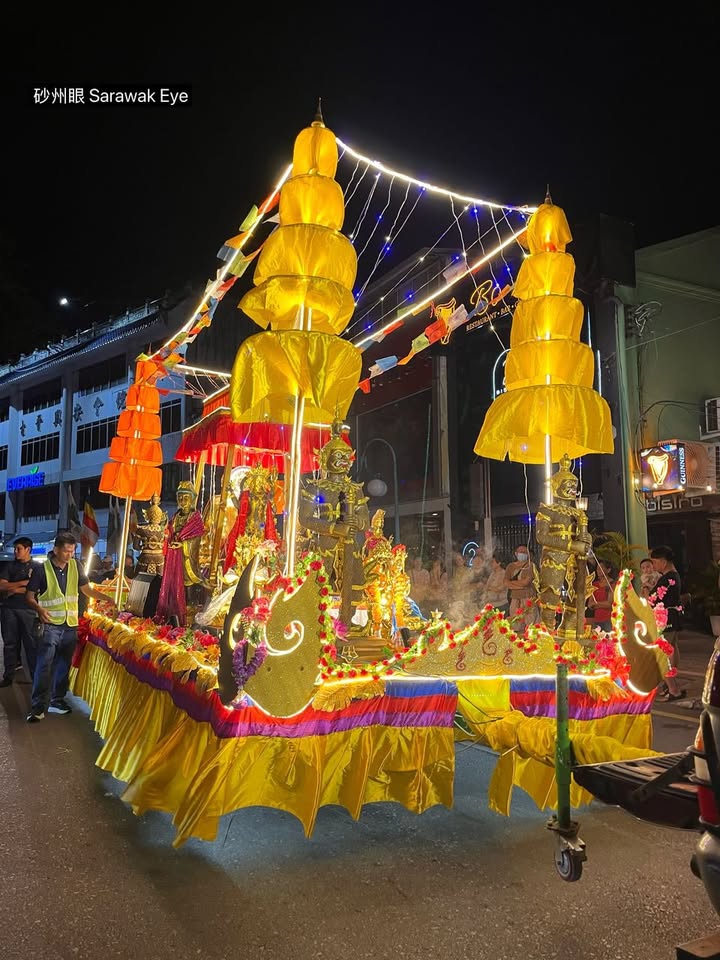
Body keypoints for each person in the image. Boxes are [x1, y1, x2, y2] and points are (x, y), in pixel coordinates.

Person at [24, 532, 116, 722]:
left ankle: (57, 701)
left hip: (70, 625)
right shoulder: (42, 569)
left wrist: (107, 598)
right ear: (56, 549)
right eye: (66, 551)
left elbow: (86, 589)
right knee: (44, 666)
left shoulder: (76, 566)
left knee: (63, 666)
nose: (69, 555)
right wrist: (39, 609)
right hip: (50, 625)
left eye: (72, 551)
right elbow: (29, 597)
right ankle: (37, 707)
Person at [0, 537, 40, 687]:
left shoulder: (38, 567)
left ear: (28, 549)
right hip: (9, 609)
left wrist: (12, 589)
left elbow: (38, 588)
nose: (16, 552)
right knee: (10, 643)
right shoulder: (9, 566)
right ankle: (8, 676)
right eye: (15, 549)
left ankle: (34, 677)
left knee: (31, 644)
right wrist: (24, 584)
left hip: (28, 609)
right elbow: (2, 586)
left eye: (19, 549)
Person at [650, 545, 686, 701]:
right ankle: (669, 684)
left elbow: (653, 598)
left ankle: (673, 688)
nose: (653, 566)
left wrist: (645, 591)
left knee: (661, 655)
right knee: (672, 650)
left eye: (654, 562)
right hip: (672, 617)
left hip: (665, 619)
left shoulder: (668, 579)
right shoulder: (674, 576)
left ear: (663, 562)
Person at [504, 544, 537, 626]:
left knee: (530, 621)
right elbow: (505, 582)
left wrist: (512, 583)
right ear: (516, 553)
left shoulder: (530, 565)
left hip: (528, 597)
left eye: (525, 552)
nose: (523, 553)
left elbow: (526, 582)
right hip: (514, 597)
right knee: (515, 621)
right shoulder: (510, 566)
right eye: (521, 551)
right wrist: (520, 586)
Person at [587, 560, 616, 631]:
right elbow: (590, 604)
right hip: (597, 619)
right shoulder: (594, 585)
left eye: (601, 568)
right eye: (597, 568)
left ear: (608, 570)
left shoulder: (612, 584)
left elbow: (610, 604)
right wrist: (602, 604)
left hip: (609, 619)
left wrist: (595, 604)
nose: (598, 570)